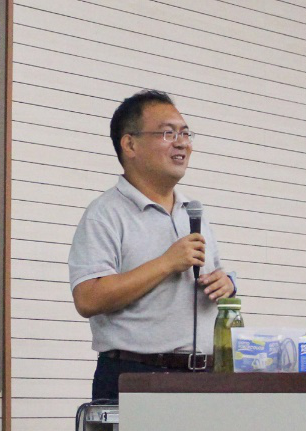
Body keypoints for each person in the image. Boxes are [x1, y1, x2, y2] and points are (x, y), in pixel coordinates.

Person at [68, 90, 236, 400]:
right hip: (136, 377)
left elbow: (216, 276)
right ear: (130, 144)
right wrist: (166, 263)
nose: (182, 143)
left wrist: (226, 283)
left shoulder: (193, 212)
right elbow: (88, 298)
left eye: (185, 133)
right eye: (168, 133)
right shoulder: (105, 214)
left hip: (205, 379)